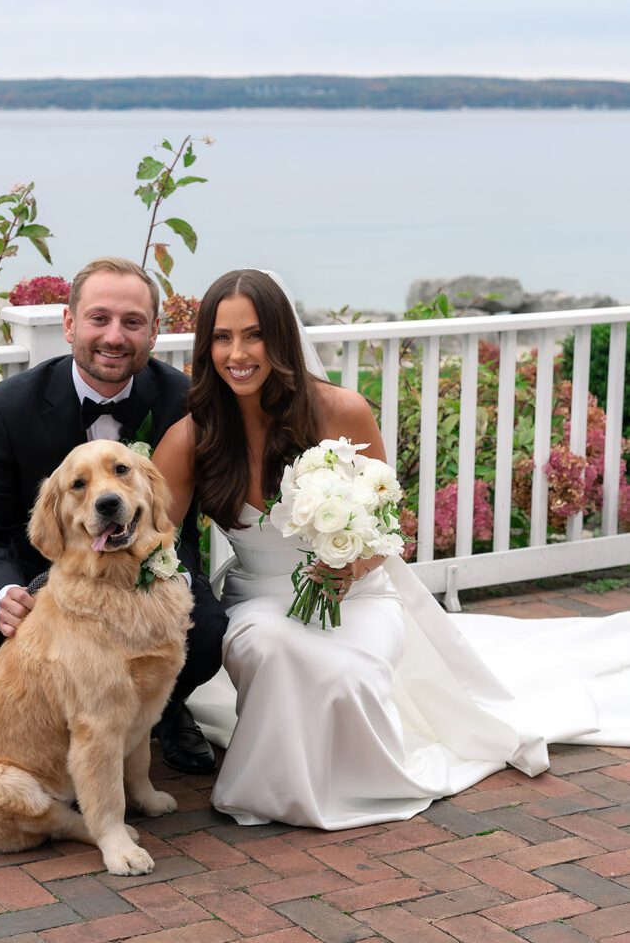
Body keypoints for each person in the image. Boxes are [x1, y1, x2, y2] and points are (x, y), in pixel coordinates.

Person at [153, 269, 630, 828]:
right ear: (206, 346)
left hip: (359, 595)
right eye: (222, 337)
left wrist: (351, 565)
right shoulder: (193, 437)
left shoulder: (341, 411)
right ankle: (276, 788)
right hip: (258, 598)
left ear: (280, 338)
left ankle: (358, 783)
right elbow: (155, 541)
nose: (238, 353)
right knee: (270, 648)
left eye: (253, 335)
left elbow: (386, 524)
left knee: (348, 675)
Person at [0, 257, 226, 775]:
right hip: (40, 575)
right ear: (69, 324)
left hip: (149, 566)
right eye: (98, 318)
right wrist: (5, 594)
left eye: (132, 322)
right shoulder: (5, 407)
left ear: (153, 332)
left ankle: (164, 714)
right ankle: (26, 730)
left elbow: (208, 500)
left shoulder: (186, 400)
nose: (114, 336)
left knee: (209, 633)